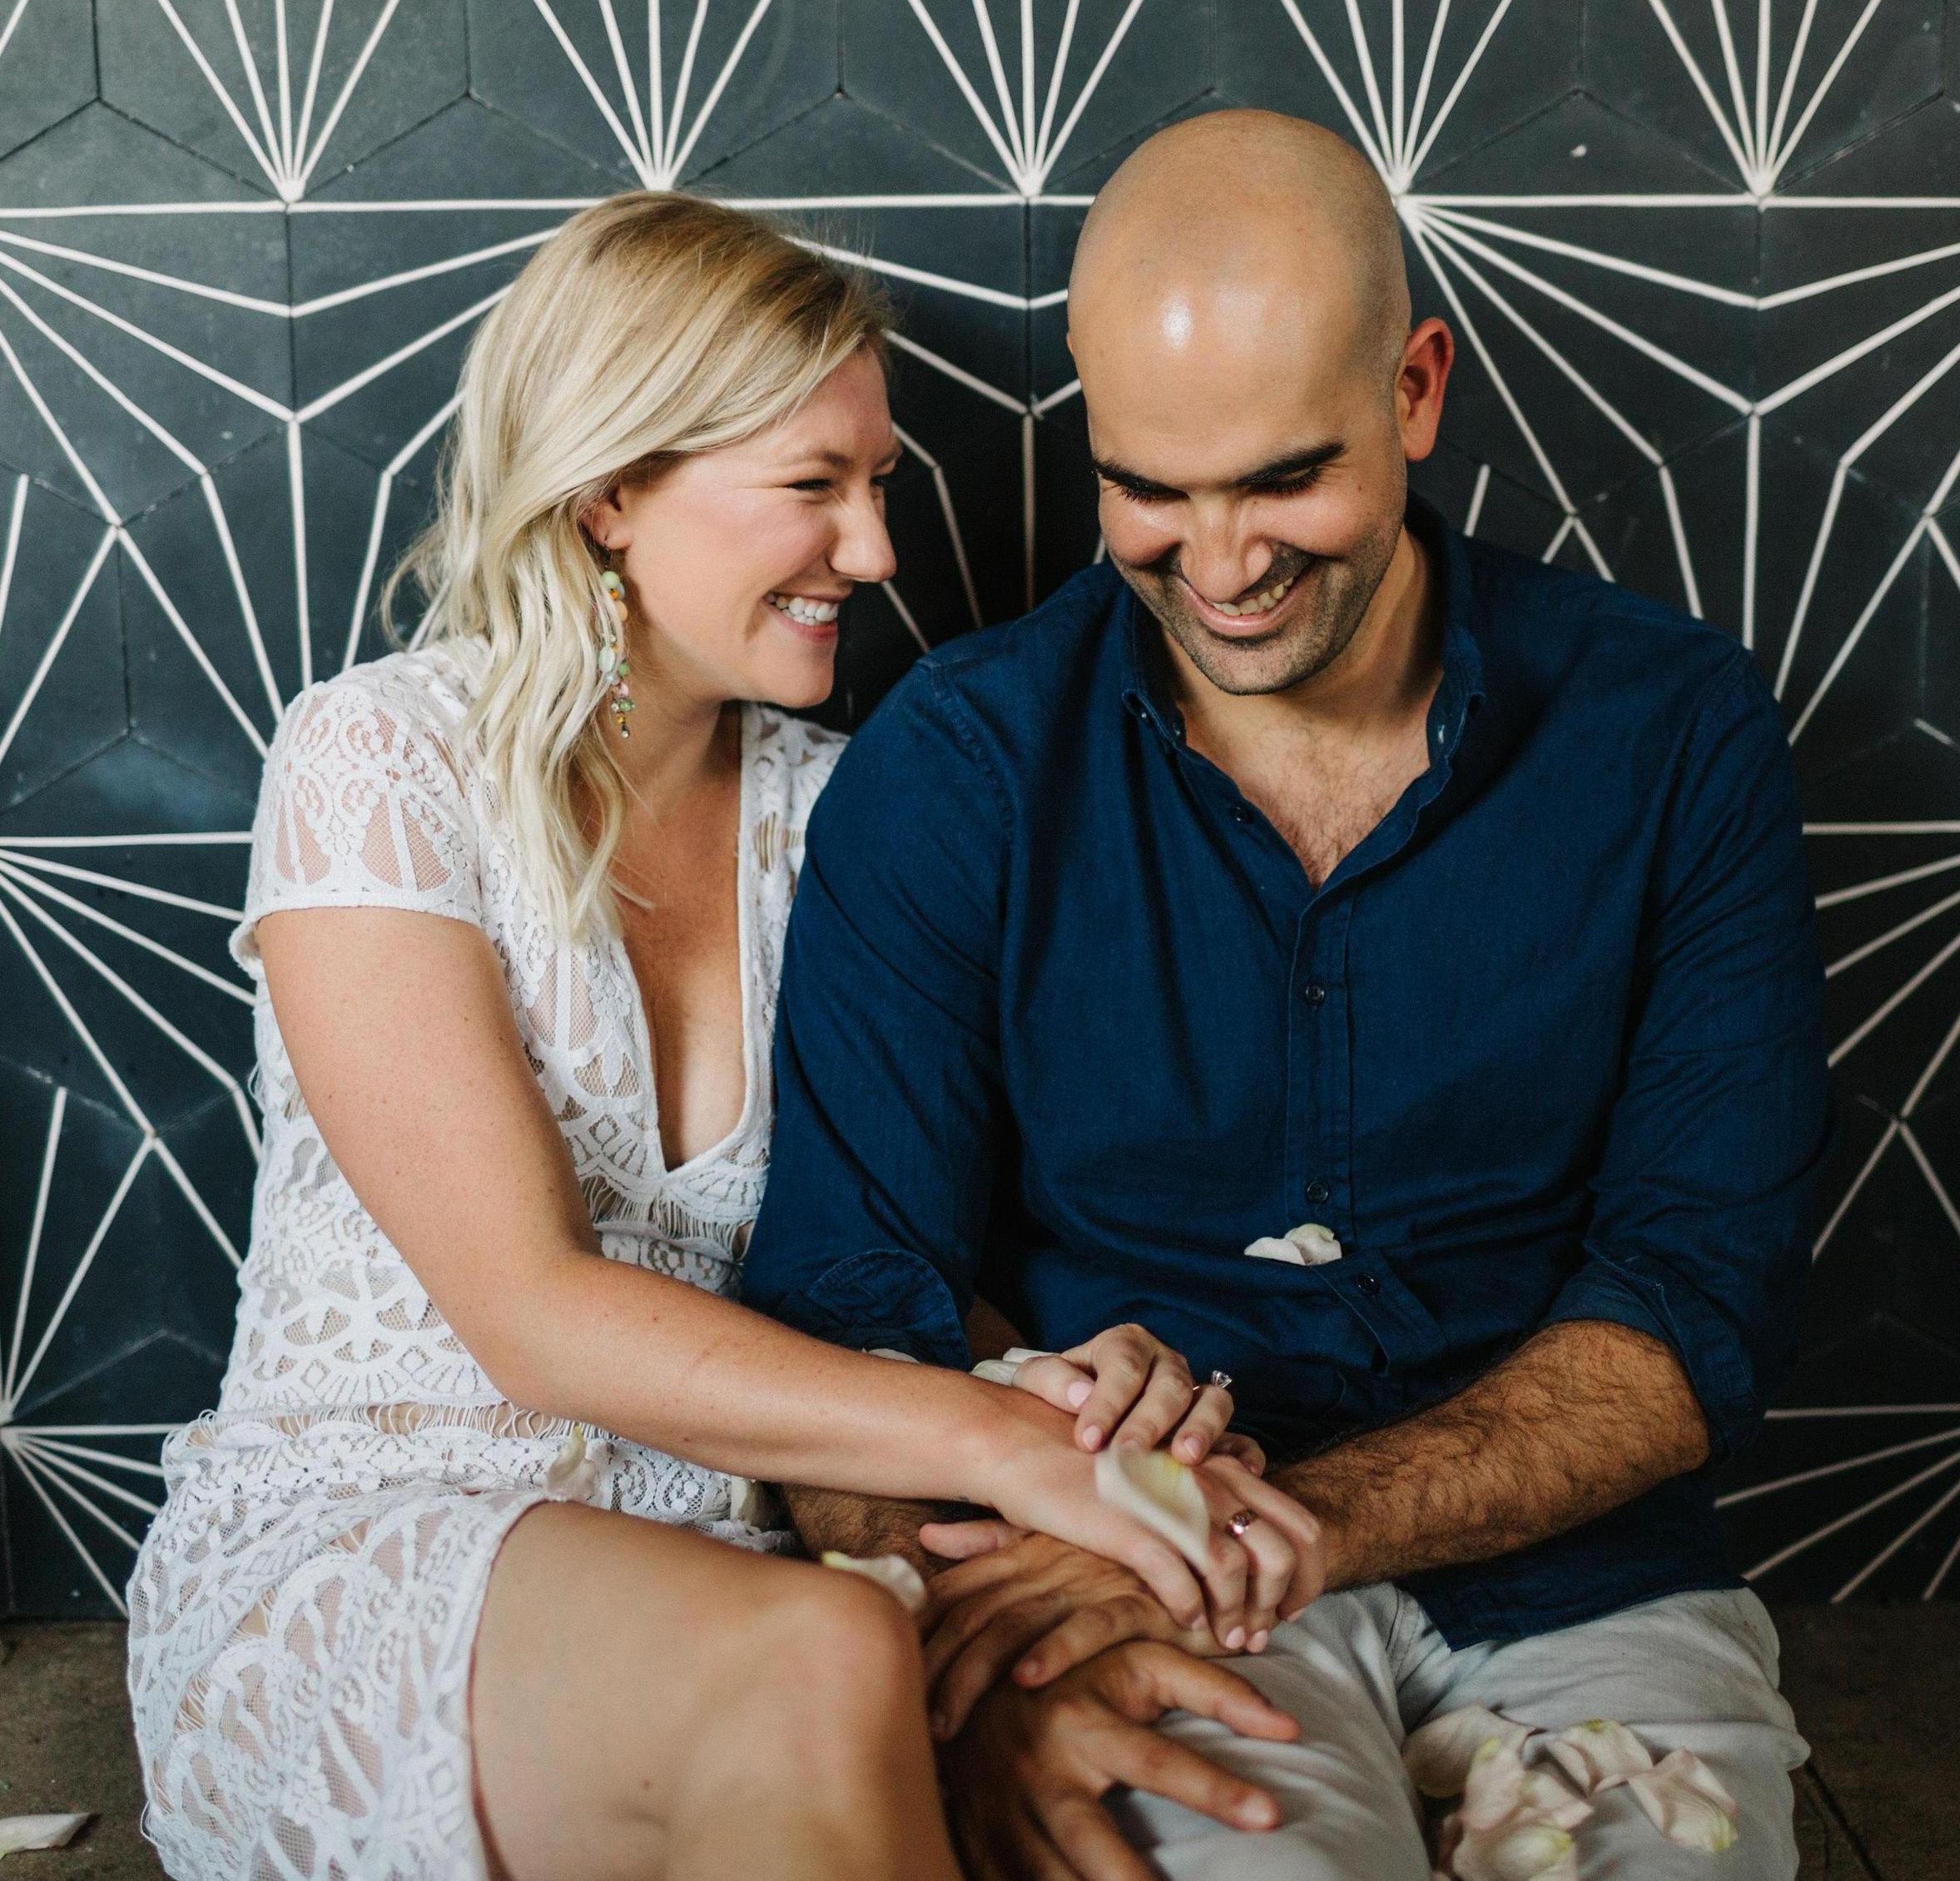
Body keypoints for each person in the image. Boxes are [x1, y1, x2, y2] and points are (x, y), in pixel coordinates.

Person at [122, 190, 1307, 1881]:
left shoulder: (851, 813)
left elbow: (878, 1252)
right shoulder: (379, 757)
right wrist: (992, 1440)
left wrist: (1061, 1380)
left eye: (875, 483)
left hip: (738, 1554)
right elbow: (532, 1310)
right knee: (827, 1653)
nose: (875, 551)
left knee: (888, 1660)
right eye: (812, 486)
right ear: (609, 489)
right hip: (381, 1534)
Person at [741, 109, 1833, 1879]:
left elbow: (1692, 1303)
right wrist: (963, 1643)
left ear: (1414, 389)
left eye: (1278, 481)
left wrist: (1279, 1520)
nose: (1221, 564)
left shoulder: (1673, 732)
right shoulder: (957, 764)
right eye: (1150, 490)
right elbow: (846, 1305)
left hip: (1579, 1582)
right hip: (1113, 1572)